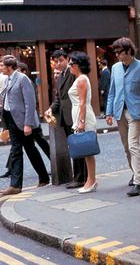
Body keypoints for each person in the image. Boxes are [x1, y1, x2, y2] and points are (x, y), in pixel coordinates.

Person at [105, 37, 140, 197]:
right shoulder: (115, 68)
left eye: (119, 52)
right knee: (126, 147)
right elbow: (112, 92)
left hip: (135, 112)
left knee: (133, 145)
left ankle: (139, 182)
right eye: (116, 52)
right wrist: (109, 112)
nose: (117, 55)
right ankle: (135, 173)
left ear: (128, 51)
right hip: (119, 111)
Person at [0, 55, 50, 195]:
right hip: (11, 121)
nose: (0, 67)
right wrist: (5, 125)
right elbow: (5, 102)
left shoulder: (22, 79)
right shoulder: (6, 80)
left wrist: (28, 124)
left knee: (30, 150)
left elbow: (30, 102)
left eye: (2, 65)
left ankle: (44, 177)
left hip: (22, 122)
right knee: (16, 151)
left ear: (9, 67)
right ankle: (15, 185)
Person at [44, 49, 87, 189]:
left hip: (74, 115)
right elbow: (58, 97)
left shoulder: (73, 73)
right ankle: (79, 176)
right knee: (74, 147)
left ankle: (81, 177)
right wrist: (51, 108)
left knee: (78, 147)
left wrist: (82, 118)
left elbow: (81, 96)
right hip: (66, 116)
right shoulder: (61, 76)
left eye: (60, 60)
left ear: (67, 59)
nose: (57, 64)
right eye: (55, 61)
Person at [67, 52, 98, 193]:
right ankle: (90, 180)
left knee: (88, 151)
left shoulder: (81, 80)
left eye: (71, 64)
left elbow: (83, 103)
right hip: (80, 116)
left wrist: (81, 122)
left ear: (77, 65)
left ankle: (91, 181)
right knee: (86, 152)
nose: (69, 66)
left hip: (84, 117)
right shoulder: (79, 78)